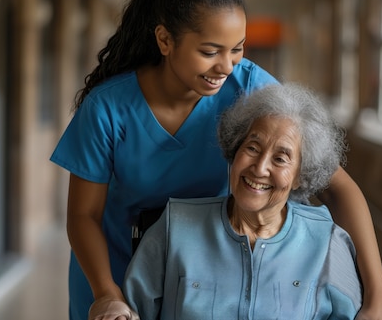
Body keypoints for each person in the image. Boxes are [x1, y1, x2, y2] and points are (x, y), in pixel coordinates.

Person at [50, 0, 382, 320]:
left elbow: (335, 186)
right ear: (165, 40)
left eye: (237, 49)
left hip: (206, 283)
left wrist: (378, 297)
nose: (225, 66)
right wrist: (107, 293)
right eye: (210, 51)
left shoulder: (250, 88)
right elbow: (83, 216)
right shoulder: (108, 107)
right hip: (113, 276)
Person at [123, 83, 362, 320]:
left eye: (280, 159)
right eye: (252, 148)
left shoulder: (326, 241)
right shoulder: (175, 226)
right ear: (235, 150)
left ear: (300, 175)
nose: (259, 168)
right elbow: (132, 309)